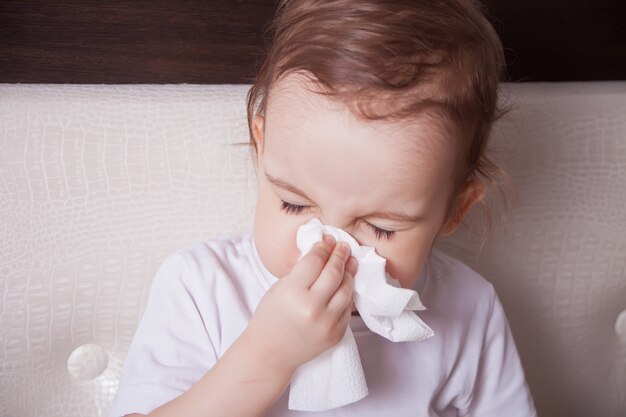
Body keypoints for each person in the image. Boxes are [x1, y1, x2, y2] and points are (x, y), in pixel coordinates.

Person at [109, 0, 537, 416]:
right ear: (263, 148)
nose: (330, 248)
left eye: (381, 228)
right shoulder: (200, 287)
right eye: (294, 204)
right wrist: (266, 356)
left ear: (454, 211)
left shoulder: (470, 308)